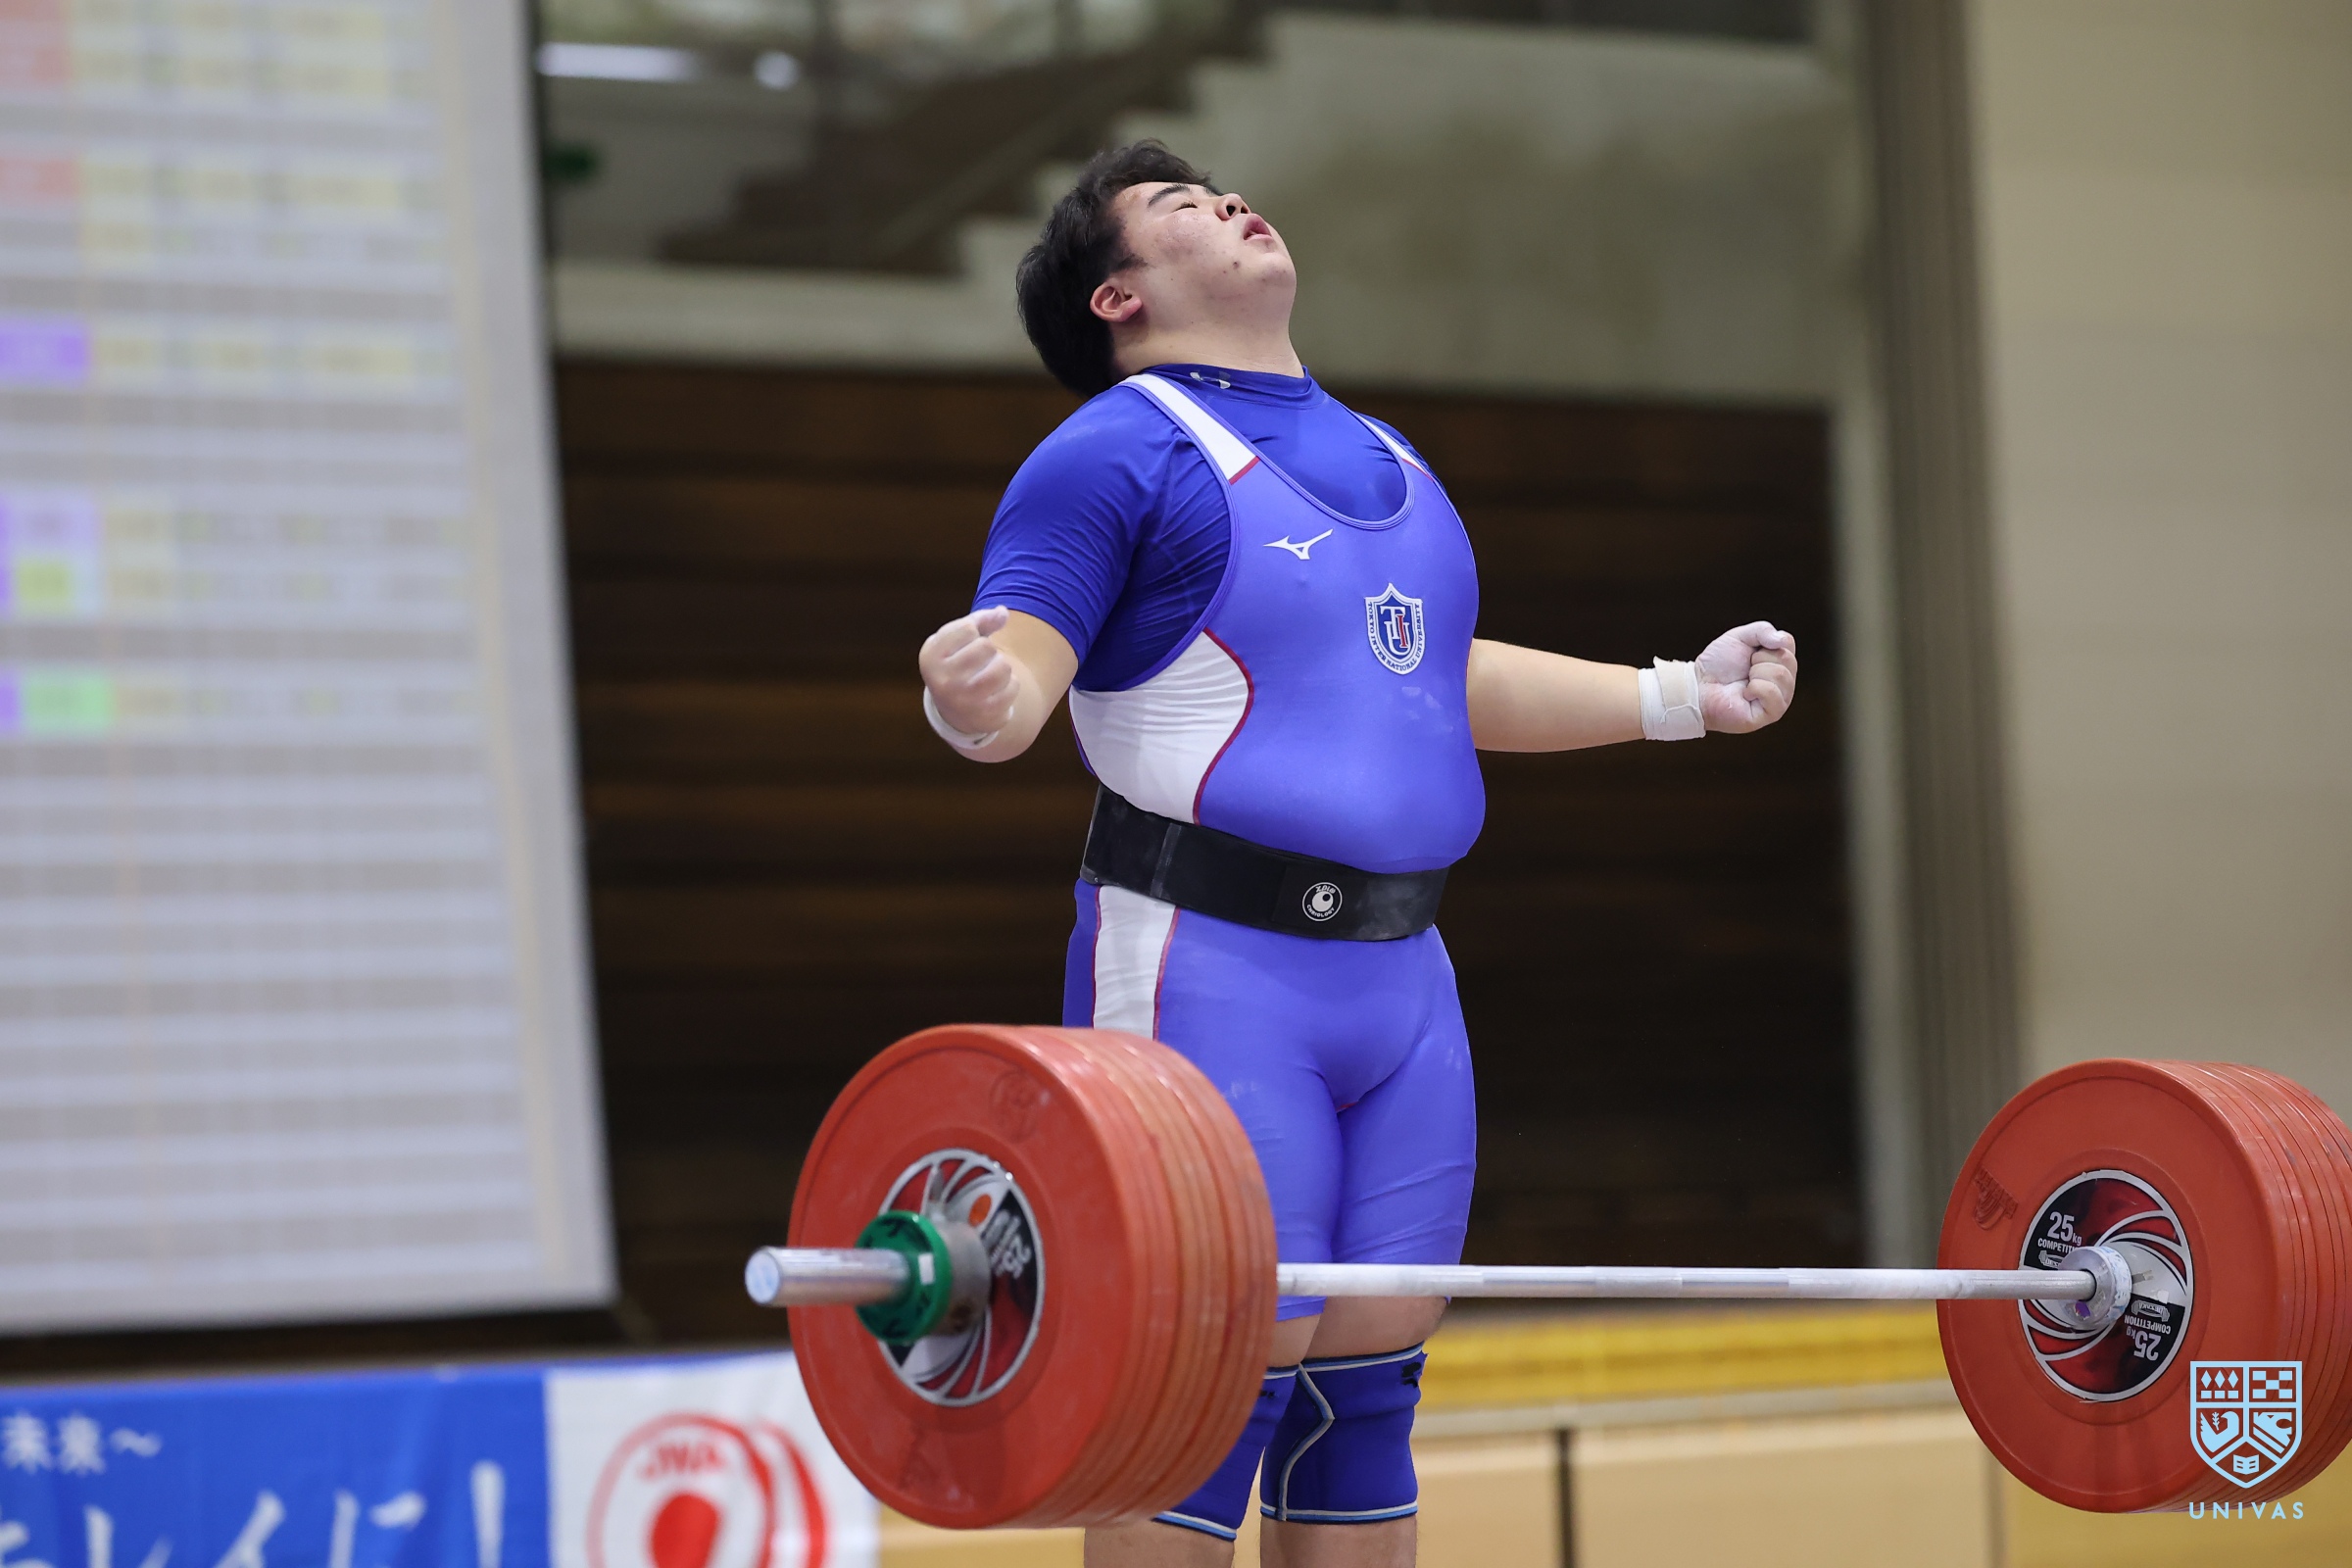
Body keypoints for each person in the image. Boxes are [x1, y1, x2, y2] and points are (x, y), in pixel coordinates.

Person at [915, 142, 1797, 1568]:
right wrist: (968, 700)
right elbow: (1011, 682)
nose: (1229, 201)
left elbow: (1433, 677)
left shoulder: (1389, 455)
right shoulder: (1113, 451)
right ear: (1117, 297)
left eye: (1221, 189)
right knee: (1206, 1380)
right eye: (1180, 206)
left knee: (1368, 1384)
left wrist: (1677, 697)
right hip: (1210, 969)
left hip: (1403, 981)